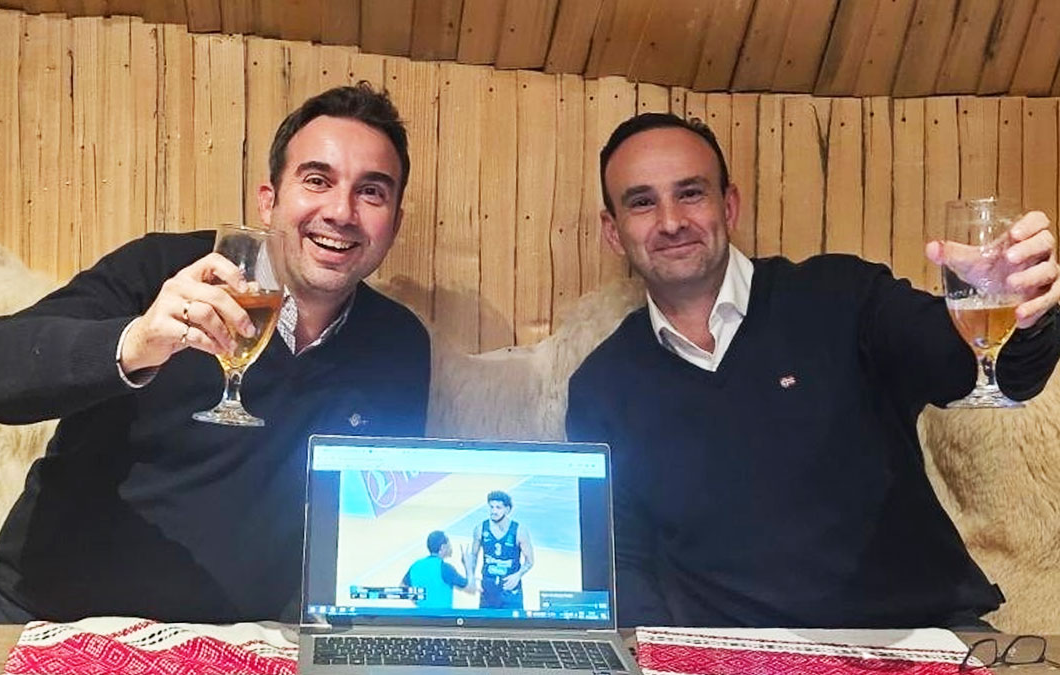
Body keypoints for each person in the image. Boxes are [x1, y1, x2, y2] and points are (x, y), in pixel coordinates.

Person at [0, 84, 431, 624]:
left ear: (394, 223)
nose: (341, 211)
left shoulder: (398, 346)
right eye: (317, 180)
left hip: (235, 641)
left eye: (371, 192)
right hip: (38, 615)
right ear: (268, 200)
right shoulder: (164, 272)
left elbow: (370, 521)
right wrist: (135, 343)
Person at [566, 112, 1060, 629]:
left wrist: (1022, 310)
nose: (671, 221)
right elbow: (622, 561)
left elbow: (981, 370)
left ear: (728, 206)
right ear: (613, 232)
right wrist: (656, 658)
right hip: (740, 656)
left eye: (690, 193)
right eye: (642, 202)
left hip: (920, 634)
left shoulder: (843, 295)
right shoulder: (602, 386)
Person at [472, 490, 534, 609]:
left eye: (498, 508)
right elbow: (473, 556)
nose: (494, 511)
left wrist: (518, 575)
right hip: (488, 587)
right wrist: (471, 576)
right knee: (486, 620)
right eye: (491, 507)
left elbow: (530, 561)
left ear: (507, 509)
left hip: (510, 587)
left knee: (513, 620)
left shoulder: (519, 531)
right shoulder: (480, 529)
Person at [401, 531, 474, 609]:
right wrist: (468, 566)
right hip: (442, 615)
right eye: (449, 544)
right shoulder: (445, 569)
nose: (451, 547)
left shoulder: (415, 566)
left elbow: (402, 587)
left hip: (422, 615)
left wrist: (416, 600)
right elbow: (470, 588)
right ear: (443, 547)